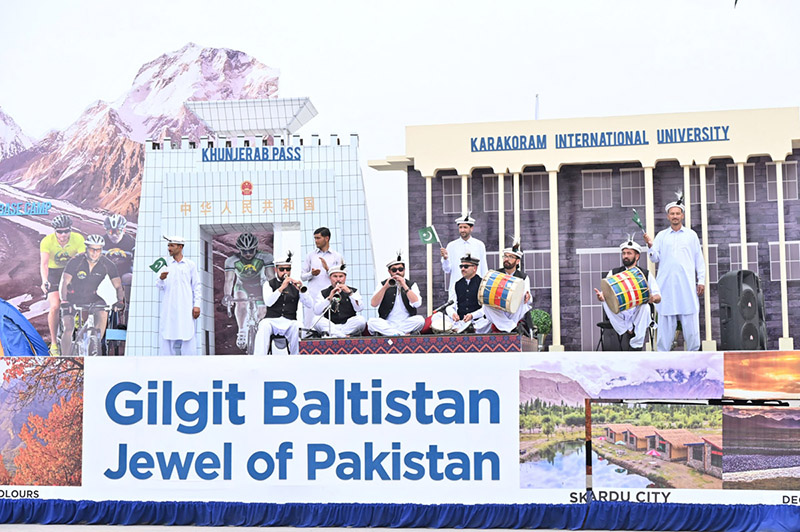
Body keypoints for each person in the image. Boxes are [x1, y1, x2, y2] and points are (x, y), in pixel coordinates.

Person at [643, 192, 705, 351]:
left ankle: (694, 356)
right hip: (667, 286)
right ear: (668, 216)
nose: (675, 216)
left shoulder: (691, 235)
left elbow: (699, 260)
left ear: (682, 216)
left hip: (687, 286)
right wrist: (650, 245)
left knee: (691, 324)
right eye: (672, 214)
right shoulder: (662, 236)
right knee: (665, 324)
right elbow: (654, 258)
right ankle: (663, 357)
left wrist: (701, 280)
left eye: (678, 213)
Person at [59, 234, 125, 356]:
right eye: (92, 249)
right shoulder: (75, 261)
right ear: (86, 249)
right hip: (72, 297)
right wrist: (64, 301)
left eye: (98, 249)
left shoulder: (107, 264)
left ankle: (95, 344)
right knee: (68, 328)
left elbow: (118, 286)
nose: (95, 253)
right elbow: (64, 283)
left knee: (104, 310)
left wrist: (120, 301)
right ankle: (65, 357)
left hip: (92, 296)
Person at [594, 236, 662, 351]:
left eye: (629, 253)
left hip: (638, 313)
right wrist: (601, 297)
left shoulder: (645, 274)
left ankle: (636, 345)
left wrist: (652, 298)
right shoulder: (614, 273)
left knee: (645, 307)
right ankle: (626, 329)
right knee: (605, 300)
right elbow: (605, 292)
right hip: (620, 313)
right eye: (624, 253)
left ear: (637, 256)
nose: (625, 256)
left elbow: (658, 297)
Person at [39, 214, 86, 355]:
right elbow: (44, 264)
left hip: (71, 271)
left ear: (70, 230)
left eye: (66, 231)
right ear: (55, 231)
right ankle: (53, 343)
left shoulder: (78, 239)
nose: (63, 234)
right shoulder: (47, 241)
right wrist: (44, 281)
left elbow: (83, 260)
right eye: (60, 231)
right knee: (54, 306)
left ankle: (77, 317)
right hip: (54, 272)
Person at [222, 232, 274, 350]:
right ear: (239, 250)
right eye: (244, 251)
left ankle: (260, 332)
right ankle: (241, 331)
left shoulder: (265, 257)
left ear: (256, 248)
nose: (248, 254)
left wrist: (274, 292)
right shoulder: (232, 260)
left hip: (259, 285)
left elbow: (271, 277)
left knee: (262, 311)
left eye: (251, 250)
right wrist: (227, 295)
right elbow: (229, 280)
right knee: (241, 304)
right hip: (242, 285)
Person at [253, 251, 311, 354]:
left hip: (289, 321)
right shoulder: (269, 284)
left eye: (288, 269)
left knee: (298, 327)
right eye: (282, 269)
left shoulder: (295, 285)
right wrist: (282, 287)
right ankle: (259, 359)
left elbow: (310, 305)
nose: (285, 272)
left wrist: (302, 291)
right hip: (272, 321)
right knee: (263, 325)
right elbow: (268, 302)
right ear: (276, 269)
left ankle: (297, 359)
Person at [157, 236, 201, 356]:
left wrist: (196, 305)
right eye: (168, 246)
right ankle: (166, 365)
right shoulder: (165, 264)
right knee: (167, 334)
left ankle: (190, 364)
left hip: (186, 306)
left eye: (172, 245)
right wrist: (161, 279)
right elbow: (159, 286)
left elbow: (196, 286)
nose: (169, 248)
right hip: (169, 306)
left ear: (180, 247)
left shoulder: (190, 264)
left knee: (188, 333)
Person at [367, 253, 425, 336]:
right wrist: (385, 287)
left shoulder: (411, 284)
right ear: (389, 271)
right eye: (394, 270)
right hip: (388, 323)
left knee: (420, 320)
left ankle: (393, 334)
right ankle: (400, 334)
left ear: (404, 270)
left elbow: (417, 304)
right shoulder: (383, 284)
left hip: (406, 323)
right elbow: (373, 304)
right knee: (371, 322)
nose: (397, 272)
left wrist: (404, 285)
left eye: (400, 269)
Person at [482, 241, 534, 334]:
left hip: (514, 311)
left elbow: (528, 299)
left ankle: (508, 326)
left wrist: (528, 296)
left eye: (510, 257)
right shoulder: (496, 274)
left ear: (517, 261)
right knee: (486, 306)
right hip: (500, 309)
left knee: (522, 299)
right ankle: (512, 328)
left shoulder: (523, 277)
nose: (507, 259)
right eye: (505, 256)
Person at [301, 227, 342, 329]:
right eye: (315, 238)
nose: (316, 241)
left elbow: (340, 278)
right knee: (309, 324)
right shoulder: (310, 255)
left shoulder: (336, 256)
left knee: (328, 323)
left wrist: (328, 269)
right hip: (313, 295)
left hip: (328, 296)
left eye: (318, 238)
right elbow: (302, 276)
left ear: (327, 238)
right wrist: (312, 273)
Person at [313, 264, 367, 338]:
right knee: (316, 320)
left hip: (348, 326)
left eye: (341, 276)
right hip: (331, 325)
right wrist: (329, 298)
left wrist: (350, 293)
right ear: (330, 278)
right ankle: (342, 336)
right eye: (335, 276)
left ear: (345, 278)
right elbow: (316, 311)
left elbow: (359, 308)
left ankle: (335, 335)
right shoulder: (323, 293)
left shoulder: (354, 291)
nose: (338, 279)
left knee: (361, 320)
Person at [441, 212, 487, 292]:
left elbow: (483, 268)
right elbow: (447, 270)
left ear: (471, 228)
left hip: (476, 287)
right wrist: (445, 259)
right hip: (457, 288)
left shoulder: (479, 245)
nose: (462, 230)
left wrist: (484, 287)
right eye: (460, 227)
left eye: (465, 227)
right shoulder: (451, 246)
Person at [445, 254, 490, 333]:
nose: (462, 269)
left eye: (466, 266)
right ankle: (460, 330)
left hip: (478, 322)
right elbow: (450, 305)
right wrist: (453, 314)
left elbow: (486, 308)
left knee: (490, 321)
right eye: (461, 266)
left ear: (474, 268)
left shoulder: (483, 284)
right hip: (460, 322)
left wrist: (473, 315)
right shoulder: (457, 284)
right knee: (437, 317)